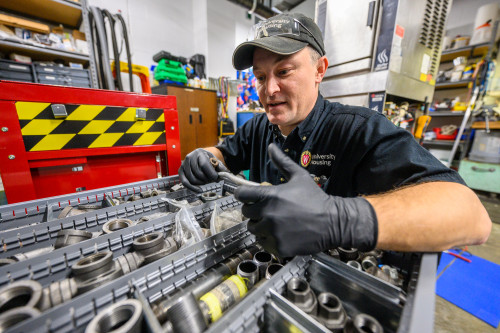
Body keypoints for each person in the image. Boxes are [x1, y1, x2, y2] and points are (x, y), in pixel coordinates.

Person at [178, 13, 491, 258]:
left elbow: (472, 216)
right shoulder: (260, 127)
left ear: (319, 70)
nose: (269, 90)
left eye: (284, 71)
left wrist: (339, 219)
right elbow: (224, 153)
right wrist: (206, 156)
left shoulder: (357, 130)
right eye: (261, 77)